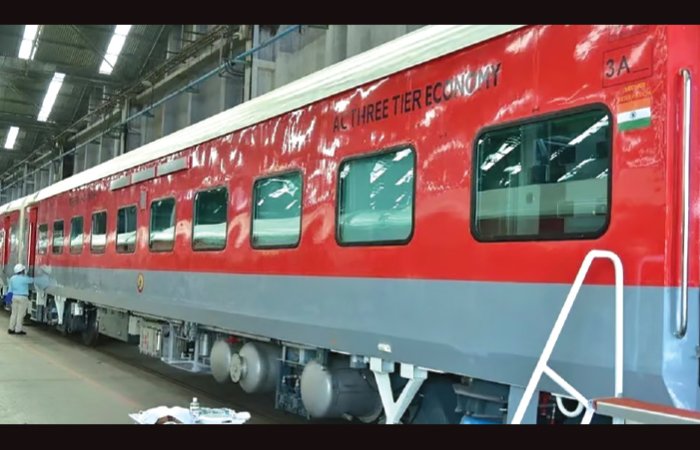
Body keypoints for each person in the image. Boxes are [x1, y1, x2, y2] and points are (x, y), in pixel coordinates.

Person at [8, 263, 33, 335]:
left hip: (14, 297)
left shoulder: (12, 278)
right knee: (20, 314)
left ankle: (11, 329)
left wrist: (8, 299)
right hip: (23, 298)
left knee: (14, 314)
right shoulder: (25, 278)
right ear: (22, 271)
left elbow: (10, 289)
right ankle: (18, 330)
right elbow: (32, 280)